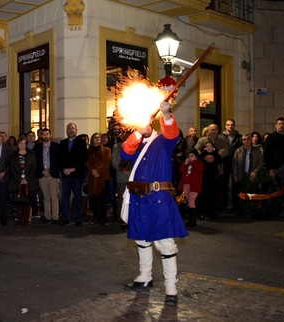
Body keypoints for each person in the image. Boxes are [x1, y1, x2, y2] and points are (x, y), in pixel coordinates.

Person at [120, 100, 188, 306]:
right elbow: (124, 153)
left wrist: (166, 114)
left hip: (159, 199)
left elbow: (173, 133)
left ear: (153, 123)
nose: (146, 126)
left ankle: (170, 287)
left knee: (165, 244)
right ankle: (145, 277)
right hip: (139, 199)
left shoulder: (163, 141)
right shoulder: (136, 142)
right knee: (142, 239)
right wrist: (138, 133)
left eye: (149, 123)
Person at [59, 122, 88, 225]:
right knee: (65, 197)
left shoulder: (81, 142)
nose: (71, 130)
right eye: (69, 128)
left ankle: (78, 218)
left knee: (77, 197)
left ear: (76, 130)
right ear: (66, 131)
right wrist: (63, 169)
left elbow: (83, 158)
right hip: (66, 175)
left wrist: (73, 168)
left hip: (77, 175)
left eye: (73, 128)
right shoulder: (62, 143)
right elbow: (60, 159)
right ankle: (65, 218)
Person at [232, 134, 265, 215]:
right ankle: (242, 211)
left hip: (252, 176)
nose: (246, 141)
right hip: (241, 176)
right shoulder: (238, 151)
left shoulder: (257, 150)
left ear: (251, 140)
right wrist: (235, 176)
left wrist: (255, 171)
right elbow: (234, 165)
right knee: (242, 194)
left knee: (253, 193)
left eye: (248, 139)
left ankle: (253, 211)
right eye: (244, 140)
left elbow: (261, 162)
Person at [33, 128, 61, 224]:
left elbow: (59, 162)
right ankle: (47, 216)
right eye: (43, 134)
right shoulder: (37, 147)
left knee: (54, 196)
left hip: (53, 175)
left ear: (50, 135)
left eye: (47, 134)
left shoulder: (57, 147)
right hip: (42, 175)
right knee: (46, 197)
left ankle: (55, 217)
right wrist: (42, 171)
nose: (45, 136)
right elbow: (35, 162)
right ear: (41, 136)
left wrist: (51, 171)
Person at [9, 137, 39, 226]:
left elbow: (34, 168)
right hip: (17, 182)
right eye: (20, 143)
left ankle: (26, 220)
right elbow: (12, 168)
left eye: (24, 143)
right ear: (17, 145)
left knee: (27, 202)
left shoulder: (31, 154)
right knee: (19, 202)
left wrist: (26, 179)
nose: (22, 145)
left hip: (28, 182)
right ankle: (20, 220)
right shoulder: (14, 155)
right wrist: (20, 179)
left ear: (26, 144)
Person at [86, 132, 112, 225]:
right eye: (95, 138)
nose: (97, 139)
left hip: (103, 178)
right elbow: (87, 162)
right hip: (93, 178)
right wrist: (92, 170)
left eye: (99, 138)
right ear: (92, 140)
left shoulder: (106, 150)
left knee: (102, 200)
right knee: (93, 200)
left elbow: (106, 163)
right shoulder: (89, 151)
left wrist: (98, 171)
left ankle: (102, 218)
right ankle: (95, 217)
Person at [221, 119, 242, 212]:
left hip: (236, 163)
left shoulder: (239, 137)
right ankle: (222, 206)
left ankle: (236, 206)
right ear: (225, 126)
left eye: (232, 125)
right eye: (228, 125)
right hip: (224, 163)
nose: (230, 126)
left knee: (236, 185)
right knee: (223, 185)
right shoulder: (221, 136)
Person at [178, 149, 203, 227]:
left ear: (196, 156)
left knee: (191, 202)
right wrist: (185, 164)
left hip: (194, 186)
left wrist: (193, 162)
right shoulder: (187, 164)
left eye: (192, 156)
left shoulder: (199, 163)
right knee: (188, 202)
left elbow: (199, 170)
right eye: (189, 156)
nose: (190, 158)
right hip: (186, 184)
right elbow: (181, 171)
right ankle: (190, 220)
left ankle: (193, 221)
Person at [199, 141, 223, 220]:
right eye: (207, 146)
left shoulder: (216, 155)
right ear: (205, 148)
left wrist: (213, 157)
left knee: (213, 195)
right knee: (203, 196)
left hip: (214, 178)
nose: (209, 148)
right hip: (204, 178)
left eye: (210, 146)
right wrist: (205, 157)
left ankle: (212, 212)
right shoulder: (202, 155)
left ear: (213, 148)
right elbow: (199, 160)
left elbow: (220, 161)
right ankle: (201, 212)